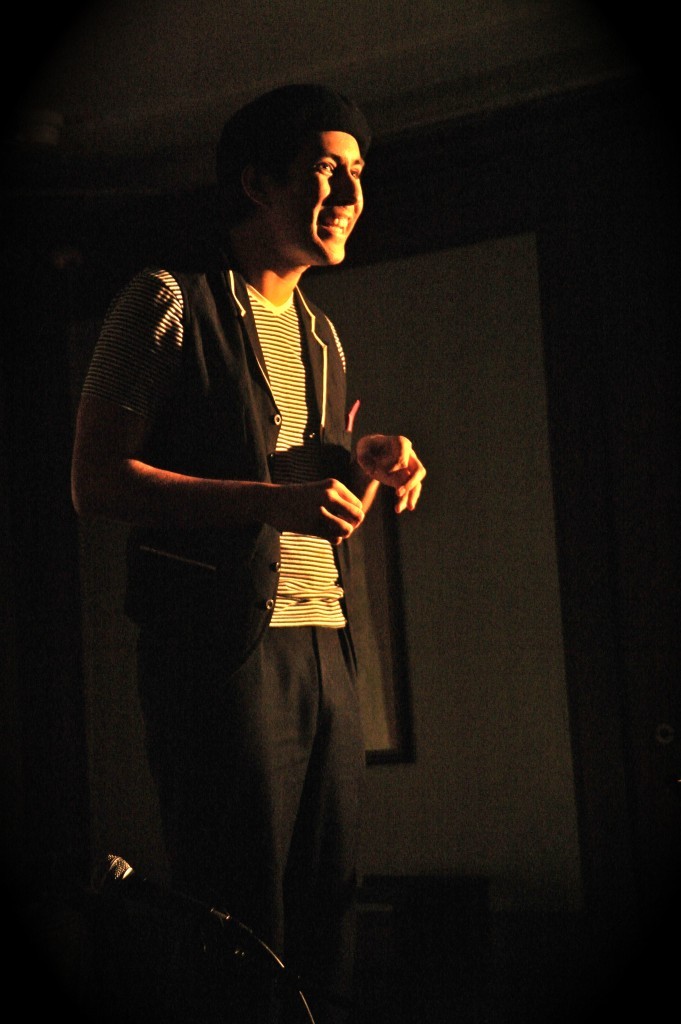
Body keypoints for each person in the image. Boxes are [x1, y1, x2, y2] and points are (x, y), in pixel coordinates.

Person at [71, 83, 426, 1023]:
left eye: (357, 173)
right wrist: (275, 501)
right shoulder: (167, 299)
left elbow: (297, 493)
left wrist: (365, 465)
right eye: (324, 170)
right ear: (257, 183)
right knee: (238, 924)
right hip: (220, 649)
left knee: (326, 918)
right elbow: (95, 482)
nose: (348, 193)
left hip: (326, 651)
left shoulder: (320, 333)